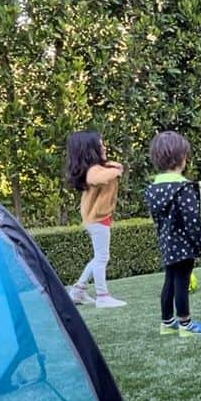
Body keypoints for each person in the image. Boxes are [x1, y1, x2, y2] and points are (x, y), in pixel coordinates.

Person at [144, 130, 201, 336]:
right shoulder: (184, 188)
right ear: (182, 158)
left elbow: (157, 219)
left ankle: (167, 322)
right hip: (184, 246)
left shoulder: (153, 189)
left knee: (170, 281)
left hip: (167, 243)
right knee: (182, 282)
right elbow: (193, 220)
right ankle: (186, 324)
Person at [65, 130, 127, 308]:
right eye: (101, 145)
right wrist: (115, 171)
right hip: (97, 219)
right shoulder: (94, 170)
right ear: (91, 150)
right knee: (102, 257)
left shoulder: (100, 167)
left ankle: (78, 290)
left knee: (99, 257)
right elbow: (95, 179)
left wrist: (113, 167)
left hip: (98, 218)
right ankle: (102, 295)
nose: (105, 147)